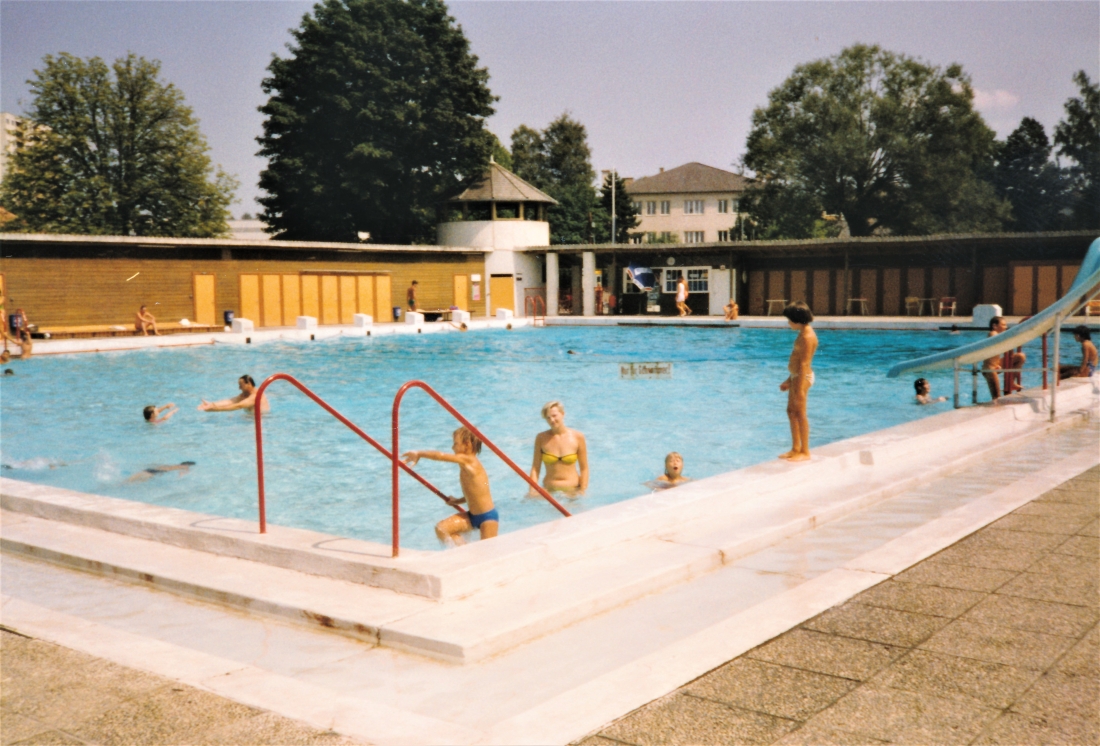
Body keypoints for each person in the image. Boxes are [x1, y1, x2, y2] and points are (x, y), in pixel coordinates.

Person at [402, 427, 497, 546]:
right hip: (472, 516)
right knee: (442, 528)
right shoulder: (466, 465)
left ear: (467, 444)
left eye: (455, 443)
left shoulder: (469, 461)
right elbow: (476, 492)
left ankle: (471, 554)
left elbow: (440, 456)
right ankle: (464, 552)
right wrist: (457, 501)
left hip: (487, 518)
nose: (452, 447)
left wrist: (420, 453)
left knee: (488, 551)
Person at [779, 301, 818, 462]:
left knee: (800, 413)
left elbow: (804, 363)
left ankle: (805, 451)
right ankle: (795, 448)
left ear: (797, 320)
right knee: (791, 411)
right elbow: (796, 361)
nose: (788, 323)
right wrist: (789, 379)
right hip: (796, 377)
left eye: (789, 320)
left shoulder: (808, 337)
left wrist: (800, 388)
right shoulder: (802, 333)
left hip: (803, 378)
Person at [529, 400, 588, 494]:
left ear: (562, 414)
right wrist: (532, 490)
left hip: (572, 491)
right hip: (549, 491)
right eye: (548, 418)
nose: (551, 420)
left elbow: (584, 468)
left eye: (554, 415)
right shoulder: (541, 438)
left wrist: (582, 490)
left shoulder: (578, 437)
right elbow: (535, 468)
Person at [982, 316, 1026, 400]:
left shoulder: (1000, 336)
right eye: (1003, 325)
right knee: (997, 397)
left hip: (997, 364)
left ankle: (1011, 382)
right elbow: (998, 341)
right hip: (990, 369)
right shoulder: (993, 333)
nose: (1006, 327)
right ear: (995, 326)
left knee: (1020, 357)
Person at [198, 374, 270, 412]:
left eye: (241, 385)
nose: (239, 388)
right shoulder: (245, 395)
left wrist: (215, 409)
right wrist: (212, 404)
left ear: (248, 384)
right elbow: (231, 401)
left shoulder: (255, 396)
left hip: (260, 422)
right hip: (250, 420)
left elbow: (239, 406)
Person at [126, 461, 196, 483]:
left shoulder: (172, 465)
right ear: (187, 465)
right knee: (134, 483)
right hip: (153, 473)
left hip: (148, 470)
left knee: (128, 481)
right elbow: (180, 474)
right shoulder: (184, 468)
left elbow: (160, 467)